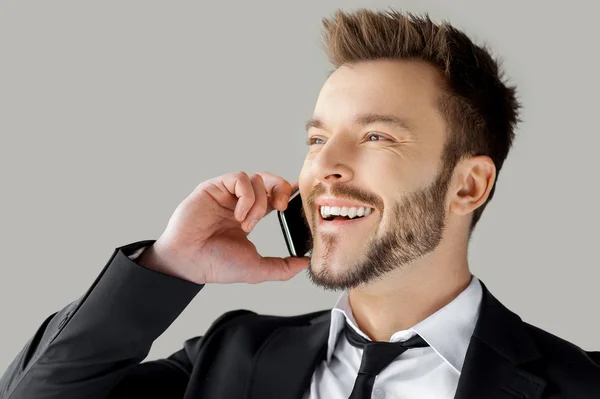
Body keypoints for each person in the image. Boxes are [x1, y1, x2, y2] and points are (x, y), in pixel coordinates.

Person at [1, 7, 599, 399]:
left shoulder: (580, 384)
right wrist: (169, 264)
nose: (323, 169)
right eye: (316, 140)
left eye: (376, 136)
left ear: (468, 185)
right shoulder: (227, 357)